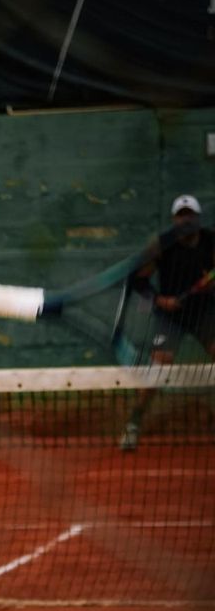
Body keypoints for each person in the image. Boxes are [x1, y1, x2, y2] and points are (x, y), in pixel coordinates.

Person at [120, 193, 215, 451]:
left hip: (204, 312)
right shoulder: (161, 245)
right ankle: (134, 423)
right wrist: (160, 300)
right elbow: (137, 281)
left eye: (190, 215)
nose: (185, 221)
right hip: (170, 315)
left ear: (197, 218)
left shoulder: (211, 242)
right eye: (181, 216)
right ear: (174, 220)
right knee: (159, 366)